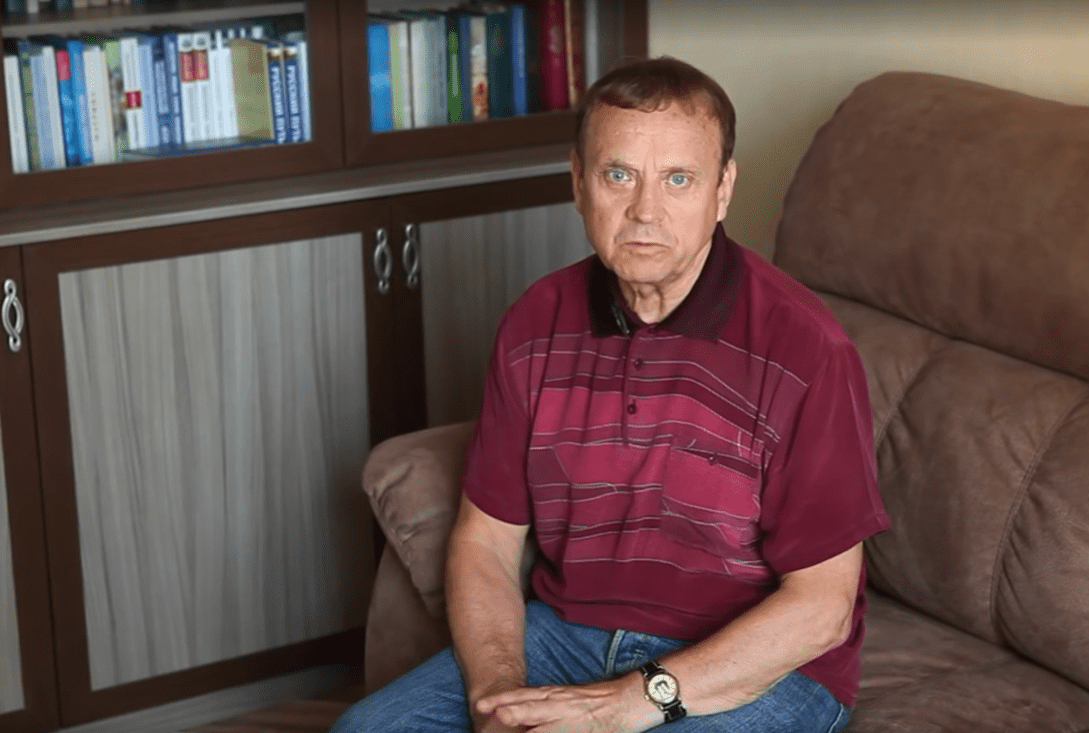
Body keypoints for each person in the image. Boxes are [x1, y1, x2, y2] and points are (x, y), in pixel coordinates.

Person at [332, 56, 889, 733]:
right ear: (578, 182)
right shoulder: (534, 322)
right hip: (567, 633)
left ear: (722, 190)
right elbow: (486, 542)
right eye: (617, 175)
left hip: (758, 663)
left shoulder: (806, 349)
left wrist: (628, 702)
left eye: (678, 179)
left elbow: (822, 607)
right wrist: (499, 697)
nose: (644, 210)